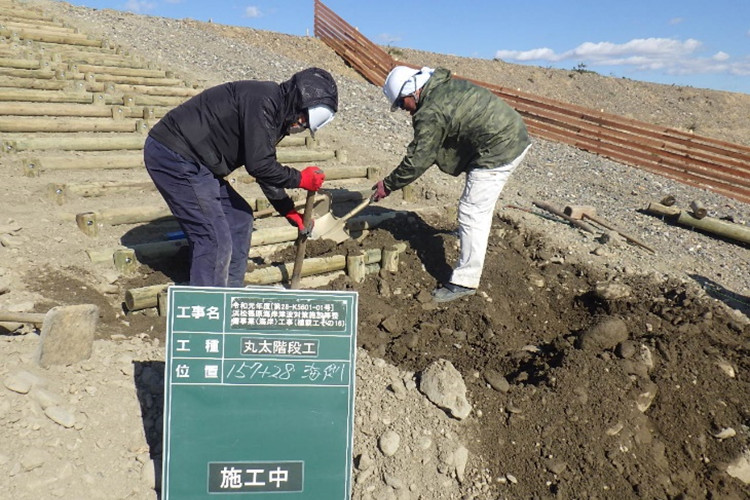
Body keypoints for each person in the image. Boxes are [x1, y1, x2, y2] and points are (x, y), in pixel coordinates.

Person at [144, 67, 338, 288]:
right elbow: (260, 165)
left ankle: (230, 291)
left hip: (200, 164)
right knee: (213, 238)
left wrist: (289, 211)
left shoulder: (279, 116)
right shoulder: (263, 101)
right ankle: (210, 310)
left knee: (239, 219)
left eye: (304, 125)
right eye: (302, 118)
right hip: (174, 154)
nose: (299, 125)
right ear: (297, 101)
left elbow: (264, 170)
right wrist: (299, 179)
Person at [372, 66, 531, 303]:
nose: (405, 110)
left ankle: (465, 281)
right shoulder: (441, 86)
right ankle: (470, 239)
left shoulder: (430, 111)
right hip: (511, 132)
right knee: (478, 206)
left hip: (500, 147)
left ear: (411, 92)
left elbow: (419, 158)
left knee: (472, 210)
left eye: (403, 104)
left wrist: (389, 184)